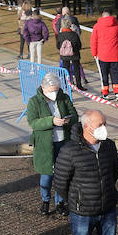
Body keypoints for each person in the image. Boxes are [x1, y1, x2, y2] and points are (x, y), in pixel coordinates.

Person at [51, 109, 118, 235]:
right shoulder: (70, 151)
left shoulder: (109, 146)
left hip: (107, 209)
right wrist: (76, 201)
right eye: (100, 125)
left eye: (104, 123)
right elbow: (61, 182)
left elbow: (113, 173)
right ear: (87, 127)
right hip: (82, 212)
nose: (104, 128)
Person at [26, 74, 77, 215]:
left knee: (62, 175)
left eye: (56, 89)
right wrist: (51, 121)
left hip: (63, 142)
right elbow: (33, 122)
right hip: (45, 145)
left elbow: (74, 114)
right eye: (51, 90)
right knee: (46, 175)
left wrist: (68, 120)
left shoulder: (64, 98)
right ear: (43, 88)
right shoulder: (34, 101)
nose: (54, 93)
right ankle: (45, 201)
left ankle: (60, 202)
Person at [90, 9, 118, 100]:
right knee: (116, 74)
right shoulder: (116, 25)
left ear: (102, 15)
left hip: (102, 55)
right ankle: (117, 93)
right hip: (115, 54)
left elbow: (94, 41)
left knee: (104, 74)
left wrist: (94, 53)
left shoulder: (97, 26)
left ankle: (105, 93)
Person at [56, 19, 85, 90]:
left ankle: (67, 85)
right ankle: (79, 85)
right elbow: (79, 45)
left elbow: (58, 46)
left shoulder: (60, 35)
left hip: (64, 55)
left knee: (66, 70)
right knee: (76, 69)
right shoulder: (74, 34)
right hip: (74, 54)